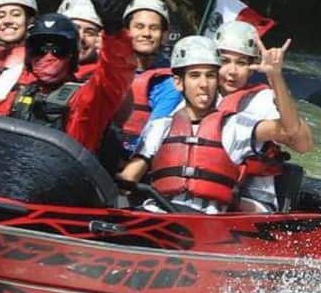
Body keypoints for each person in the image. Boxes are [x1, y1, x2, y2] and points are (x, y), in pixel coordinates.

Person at [119, 35, 277, 214]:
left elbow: (290, 132)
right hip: (157, 214)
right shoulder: (160, 126)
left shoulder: (235, 127)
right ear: (179, 82)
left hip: (206, 223)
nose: (203, 84)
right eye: (195, 76)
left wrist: (276, 77)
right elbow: (128, 180)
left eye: (210, 76)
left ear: (217, 80)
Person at [0, 0, 135, 166]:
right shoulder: (15, 99)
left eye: (58, 49)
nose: (48, 56)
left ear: (71, 56)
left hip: (62, 184)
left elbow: (116, 74)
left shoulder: (86, 100)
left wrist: (114, 32)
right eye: (40, 49)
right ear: (30, 55)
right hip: (14, 179)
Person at [214, 19, 314, 210]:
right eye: (225, 61)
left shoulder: (263, 100)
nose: (232, 71)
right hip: (205, 194)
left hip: (251, 199)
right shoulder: (199, 94)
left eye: (241, 63)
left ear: (252, 68)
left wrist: (275, 77)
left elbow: (303, 144)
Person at [114, 0, 181, 151]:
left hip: (136, 159)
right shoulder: (107, 70)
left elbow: (154, 133)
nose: (146, 34)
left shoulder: (169, 83)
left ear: (164, 36)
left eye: (154, 28)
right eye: (139, 26)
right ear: (126, 31)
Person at [58, 0, 103, 80]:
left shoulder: (105, 80)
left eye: (90, 33)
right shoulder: (33, 66)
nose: (80, 37)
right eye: (74, 28)